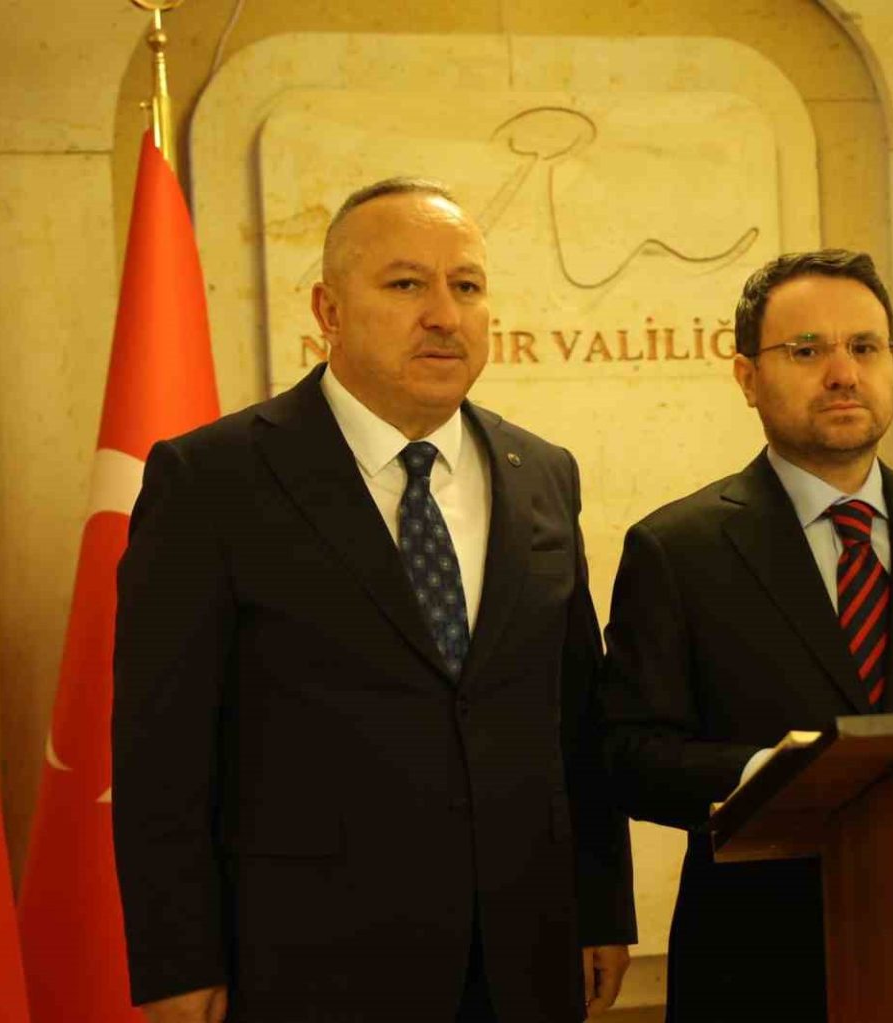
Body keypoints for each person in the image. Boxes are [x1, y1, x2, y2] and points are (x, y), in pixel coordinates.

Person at [112, 178, 635, 1023]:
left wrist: (602, 906)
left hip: (525, 951)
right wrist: (178, 958)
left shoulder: (542, 472)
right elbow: (161, 749)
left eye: (466, 286)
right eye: (406, 284)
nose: (444, 315)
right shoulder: (212, 479)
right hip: (309, 962)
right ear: (328, 308)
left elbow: (573, 714)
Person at [598, 249, 893, 1022]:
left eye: (865, 347)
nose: (844, 373)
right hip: (760, 965)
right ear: (747, 377)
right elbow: (629, 753)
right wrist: (775, 775)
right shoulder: (676, 550)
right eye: (808, 350)